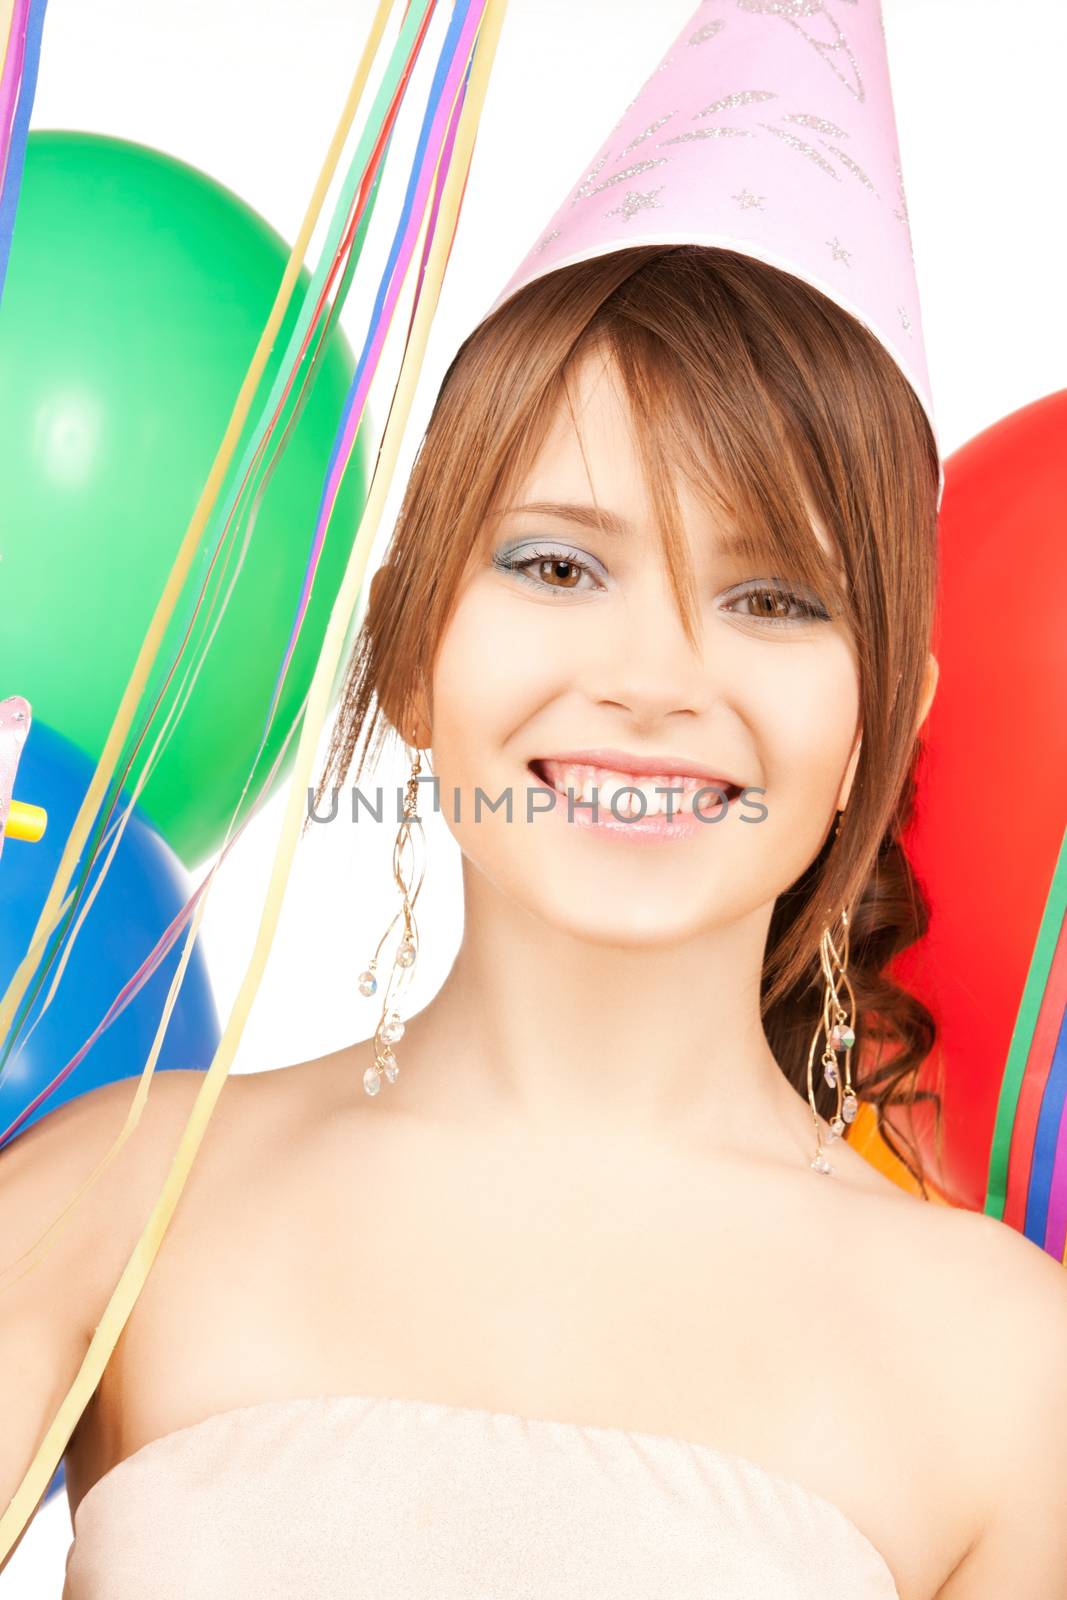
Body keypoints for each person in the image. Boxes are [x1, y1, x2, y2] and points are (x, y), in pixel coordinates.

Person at [4, 4, 1067, 1598]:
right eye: (557, 564)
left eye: (775, 598)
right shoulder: (109, 1199)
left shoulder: (1010, 1369)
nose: (656, 677)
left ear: (883, 726)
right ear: (415, 644)